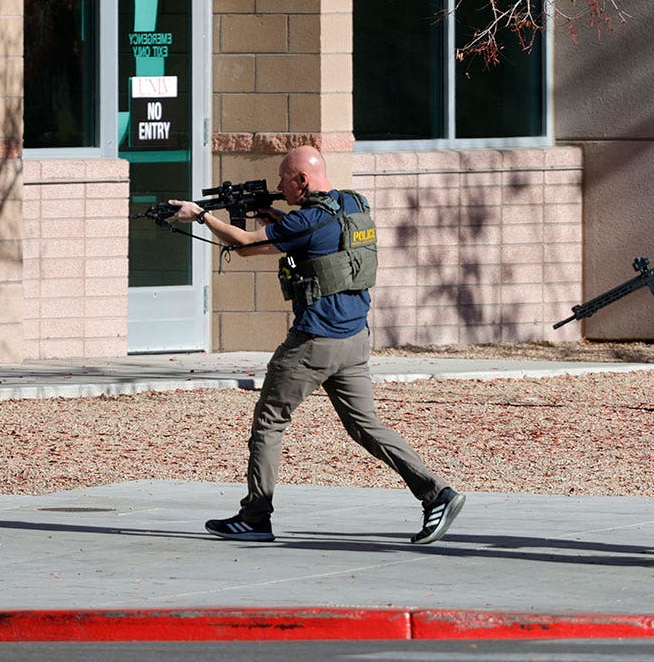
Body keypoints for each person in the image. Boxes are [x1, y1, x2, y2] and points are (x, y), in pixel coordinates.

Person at [168, 145, 465, 544]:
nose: (278, 186)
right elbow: (302, 240)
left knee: (270, 420)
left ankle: (255, 517)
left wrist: (201, 216)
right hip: (355, 339)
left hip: (315, 341)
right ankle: (437, 494)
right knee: (366, 426)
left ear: (302, 181)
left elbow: (243, 242)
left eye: (283, 180)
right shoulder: (352, 204)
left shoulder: (307, 219)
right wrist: (278, 221)